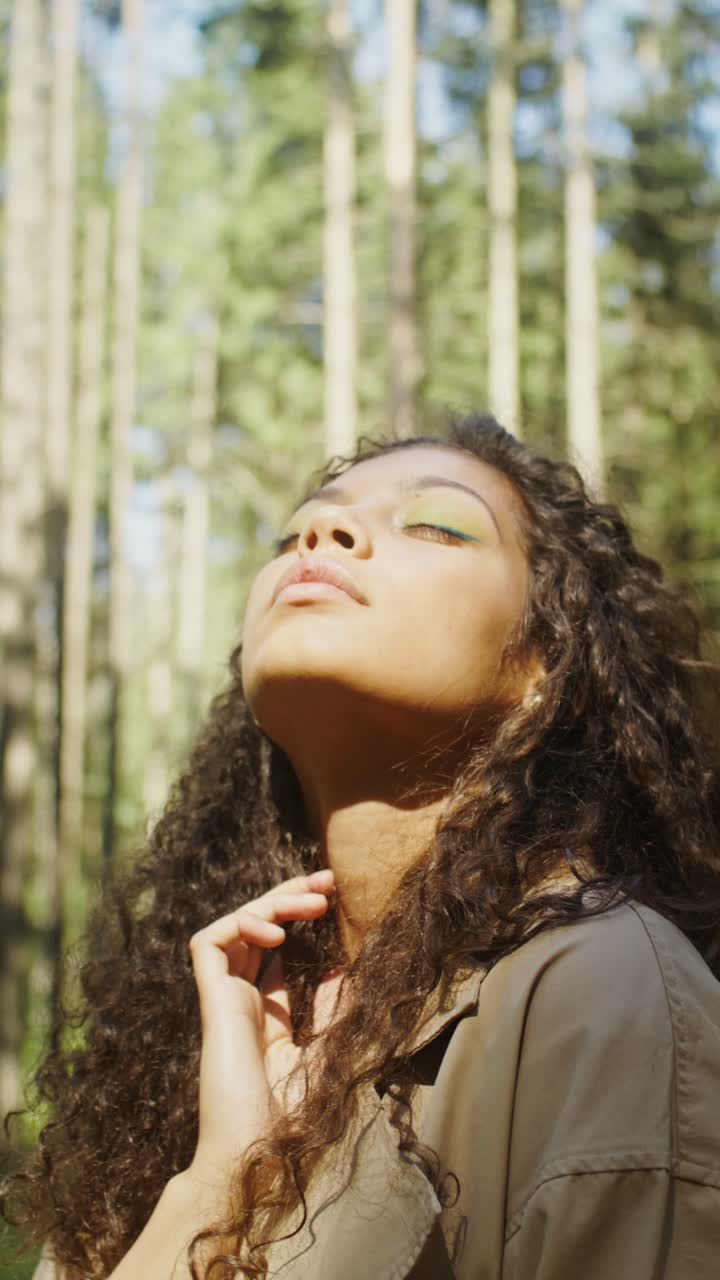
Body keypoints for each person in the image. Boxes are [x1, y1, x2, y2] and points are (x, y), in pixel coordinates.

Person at [4, 412, 720, 1280]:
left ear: (547, 664)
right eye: (297, 529)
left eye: (437, 525)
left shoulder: (598, 984)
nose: (323, 531)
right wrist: (217, 1182)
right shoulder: (199, 1040)